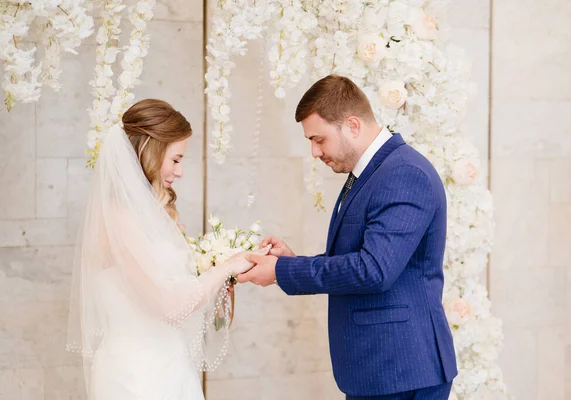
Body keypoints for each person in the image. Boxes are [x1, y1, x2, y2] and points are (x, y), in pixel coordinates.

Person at [239, 75, 458, 399]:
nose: (314, 152)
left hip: (401, 368)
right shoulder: (374, 172)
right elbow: (361, 259)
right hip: (381, 369)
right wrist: (291, 263)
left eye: (319, 139)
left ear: (352, 125)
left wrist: (280, 273)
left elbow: (374, 271)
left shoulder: (402, 173)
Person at [67, 99, 265, 399]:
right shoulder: (121, 219)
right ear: (150, 152)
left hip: (167, 365)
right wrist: (227, 266)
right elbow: (171, 307)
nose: (180, 171)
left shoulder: (145, 215)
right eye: (175, 159)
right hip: (138, 377)